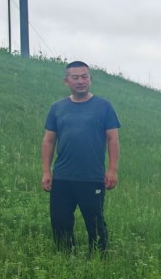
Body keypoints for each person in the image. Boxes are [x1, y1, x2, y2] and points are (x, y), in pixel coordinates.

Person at [41, 61, 120, 252]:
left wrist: (112, 170)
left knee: (95, 224)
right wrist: (46, 171)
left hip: (92, 177)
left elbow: (113, 139)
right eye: (75, 77)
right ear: (66, 81)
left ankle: (100, 261)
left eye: (84, 77)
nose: (80, 81)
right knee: (60, 223)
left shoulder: (104, 107)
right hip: (62, 177)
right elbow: (49, 141)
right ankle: (66, 260)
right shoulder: (57, 108)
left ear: (90, 79)